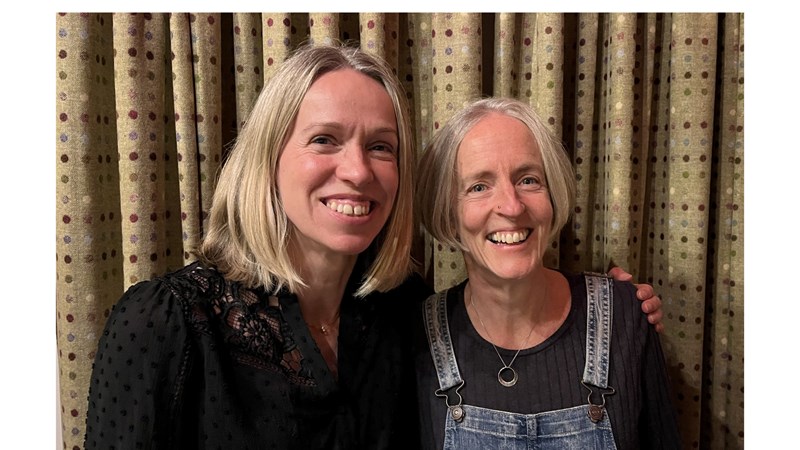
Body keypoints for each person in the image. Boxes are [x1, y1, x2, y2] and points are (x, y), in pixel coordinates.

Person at [83, 44, 664, 449]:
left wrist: (618, 309)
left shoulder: (396, 315)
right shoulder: (164, 324)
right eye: (324, 140)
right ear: (269, 158)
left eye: (381, 147)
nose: (357, 171)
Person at [413, 98, 680, 449]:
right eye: (479, 186)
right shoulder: (419, 336)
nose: (511, 206)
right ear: (448, 214)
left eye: (528, 180)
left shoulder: (626, 317)